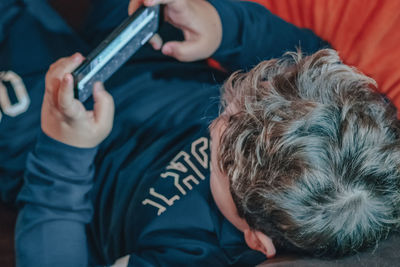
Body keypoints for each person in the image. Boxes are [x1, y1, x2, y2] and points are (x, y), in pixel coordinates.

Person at [1, 0, 398, 266]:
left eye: (221, 147)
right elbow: (305, 49)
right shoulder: (370, 129)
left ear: (258, 241)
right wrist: (220, 25)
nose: (220, 110)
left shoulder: (191, 253)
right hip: (147, 49)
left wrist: (63, 149)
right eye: (246, 97)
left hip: (51, 130)